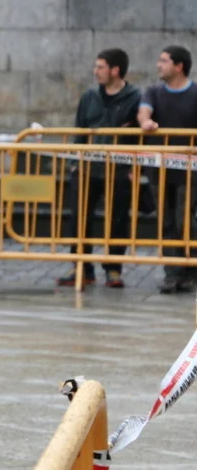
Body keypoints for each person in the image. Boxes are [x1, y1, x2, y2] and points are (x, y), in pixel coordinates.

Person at [57, 49, 141, 289]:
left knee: (117, 219)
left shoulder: (135, 98)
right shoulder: (90, 96)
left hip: (119, 167)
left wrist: (136, 167)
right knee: (79, 217)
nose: (96, 72)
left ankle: (113, 268)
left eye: (100, 67)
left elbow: (139, 138)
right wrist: (75, 162)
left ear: (115, 70)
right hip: (87, 167)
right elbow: (80, 130)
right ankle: (81, 267)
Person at [138, 45, 197, 294]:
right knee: (166, 220)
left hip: (189, 170)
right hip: (159, 169)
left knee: (185, 219)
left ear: (179, 66)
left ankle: (191, 270)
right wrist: (146, 122)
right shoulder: (154, 91)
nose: (159, 65)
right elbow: (144, 110)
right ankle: (172, 272)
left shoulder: (194, 93)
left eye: (164, 61)